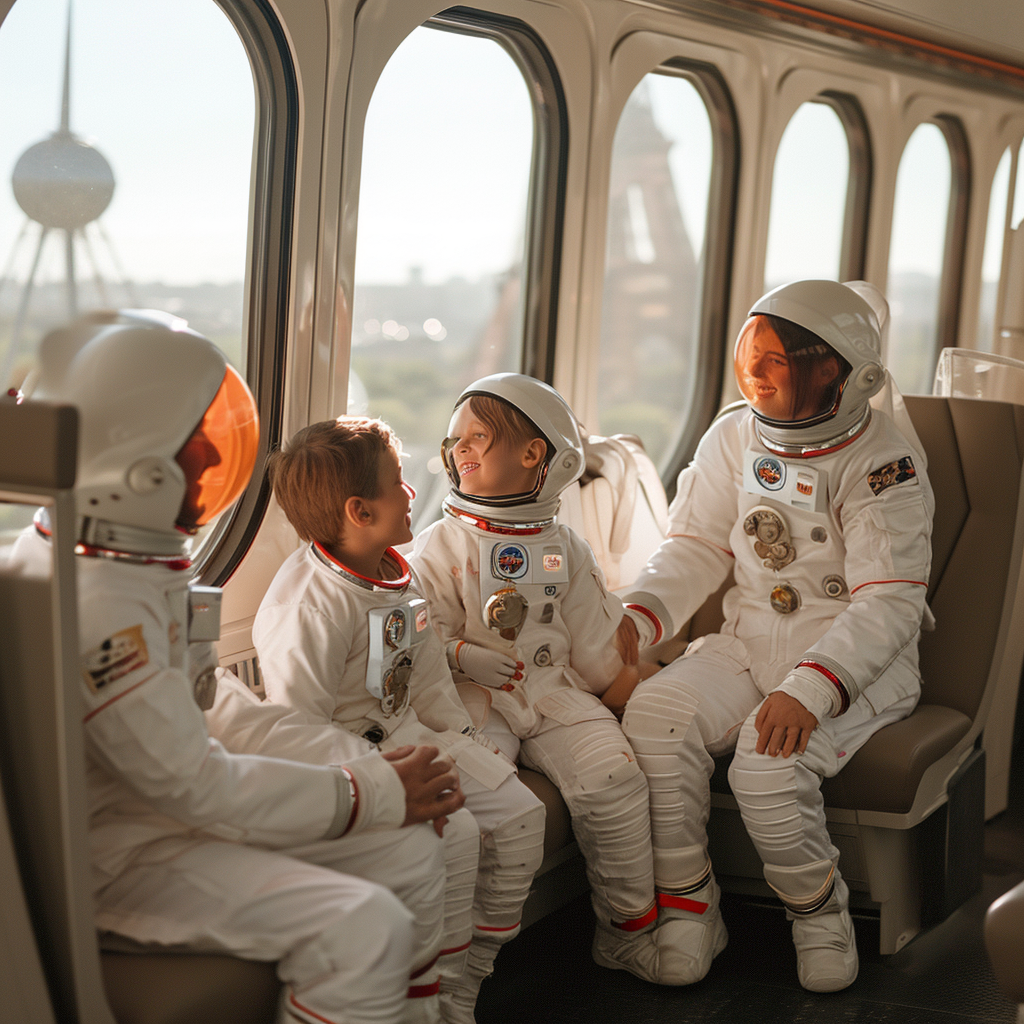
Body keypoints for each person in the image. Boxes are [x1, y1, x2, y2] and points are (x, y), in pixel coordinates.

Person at [9, 310, 465, 1024]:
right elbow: (192, 782)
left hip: (157, 820)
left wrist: (374, 772)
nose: (219, 463)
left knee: (408, 855)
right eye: (202, 447)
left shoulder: (119, 569)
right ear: (143, 466)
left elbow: (213, 704)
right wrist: (368, 792)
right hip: (119, 858)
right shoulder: (100, 603)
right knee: (362, 925)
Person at [617, 280, 934, 991]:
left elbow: (889, 602)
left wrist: (814, 688)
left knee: (766, 764)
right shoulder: (735, 433)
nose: (754, 375)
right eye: (748, 359)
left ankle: (820, 918)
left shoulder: (882, 463)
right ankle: (692, 909)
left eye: (775, 362)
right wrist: (639, 617)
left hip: (856, 657)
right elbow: (696, 543)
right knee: (656, 716)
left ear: (837, 372)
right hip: (752, 634)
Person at [251, 416, 546, 1024]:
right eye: (398, 483)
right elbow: (296, 726)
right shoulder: (310, 604)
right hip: (348, 756)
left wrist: (467, 744)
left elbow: (430, 682)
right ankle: (434, 1000)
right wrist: (374, 785)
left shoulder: (394, 575)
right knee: (458, 834)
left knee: (521, 818)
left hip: (410, 733)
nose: (413, 493)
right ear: (360, 511)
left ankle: (465, 986)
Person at [409, 373, 692, 986]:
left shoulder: (566, 547)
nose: (460, 450)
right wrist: (460, 654)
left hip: (553, 690)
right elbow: (416, 632)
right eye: (454, 439)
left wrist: (627, 684)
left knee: (615, 779)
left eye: (477, 437)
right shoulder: (437, 544)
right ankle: (466, 969)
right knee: (484, 794)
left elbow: (595, 644)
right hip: (475, 699)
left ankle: (626, 932)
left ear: (535, 455)